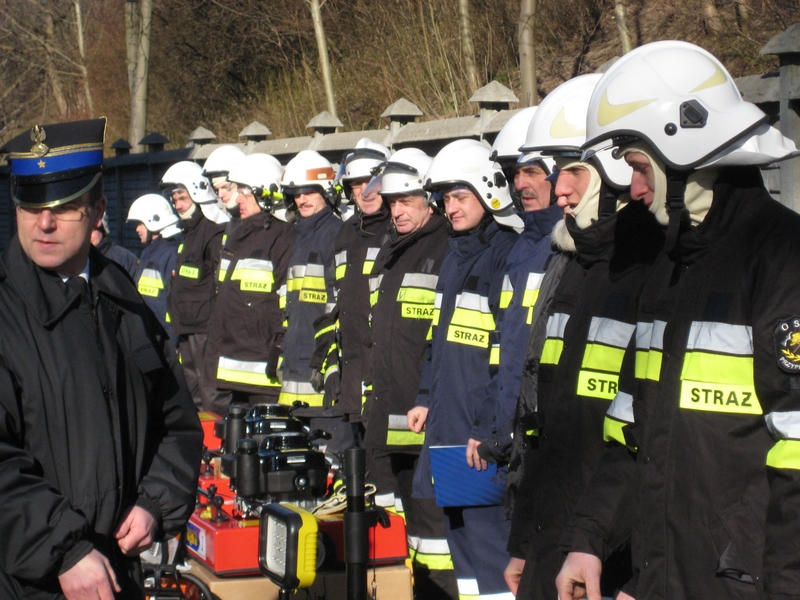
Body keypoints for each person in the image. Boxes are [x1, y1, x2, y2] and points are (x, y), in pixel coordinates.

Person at [555, 41, 800, 600]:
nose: (636, 190)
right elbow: (632, 430)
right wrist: (589, 540)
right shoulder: (670, 267)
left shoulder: (782, 257)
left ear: (685, 151)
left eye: (641, 169)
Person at [0, 117, 202, 599]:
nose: (44, 223)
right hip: (29, 582)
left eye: (64, 207)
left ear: (98, 210)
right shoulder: (6, 312)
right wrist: (64, 551)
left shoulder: (122, 299)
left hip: (117, 574)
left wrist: (154, 503)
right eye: (31, 206)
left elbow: (175, 423)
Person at [502, 74, 664, 600]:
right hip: (554, 544)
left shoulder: (657, 269)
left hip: (612, 560)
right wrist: (525, 541)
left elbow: (656, 446)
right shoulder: (570, 263)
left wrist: (640, 577)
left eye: (573, 171)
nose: (560, 190)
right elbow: (542, 425)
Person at [408, 138, 521, 600]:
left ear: (488, 191)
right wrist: (424, 399)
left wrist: (486, 427)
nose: (450, 208)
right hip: (449, 430)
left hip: (479, 439)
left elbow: (507, 356)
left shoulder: (505, 254)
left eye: (459, 196)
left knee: (491, 554)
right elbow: (437, 344)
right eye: (445, 198)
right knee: (465, 556)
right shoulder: (455, 256)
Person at [360, 148, 458, 600]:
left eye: (406, 201)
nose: (396, 210)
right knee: (405, 538)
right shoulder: (392, 251)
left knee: (436, 538)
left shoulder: (445, 249)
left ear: (429, 202)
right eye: (392, 202)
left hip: (426, 422)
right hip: (390, 419)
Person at [476, 105, 561, 471]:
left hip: (548, 436)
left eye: (532, 172)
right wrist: (494, 425)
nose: (521, 183)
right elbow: (505, 348)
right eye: (516, 173)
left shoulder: (567, 245)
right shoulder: (523, 247)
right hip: (513, 433)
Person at [312, 139, 392, 440]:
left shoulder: (398, 231)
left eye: (370, 182)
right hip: (350, 370)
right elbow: (333, 302)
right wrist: (330, 362)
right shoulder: (347, 232)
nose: (364, 191)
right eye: (356, 185)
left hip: (382, 371)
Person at [205, 153, 295, 406]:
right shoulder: (236, 235)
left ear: (265, 193)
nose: (238, 199)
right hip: (231, 367)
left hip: (264, 369)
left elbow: (288, 299)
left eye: (245, 192)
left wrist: (279, 347)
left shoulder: (284, 237)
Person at [278, 151, 349, 450]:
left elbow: (338, 306)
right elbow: (291, 307)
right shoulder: (298, 236)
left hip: (321, 369)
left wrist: (330, 362)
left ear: (326, 192)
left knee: (333, 458)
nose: (301, 199)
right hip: (296, 367)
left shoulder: (336, 234)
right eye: (296, 193)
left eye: (309, 191)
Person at [162, 161, 228, 412]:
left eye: (182, 198)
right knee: (192, 393)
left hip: (206, 330)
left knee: (210, 393)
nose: (177, 205)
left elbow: (219, 282)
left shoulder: (212, 232)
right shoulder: (187, 234)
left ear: (198, 194)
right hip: (187, 328)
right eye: (174, 200)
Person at [127, 193, 182, 345]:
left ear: (154, 221)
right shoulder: (150, 253)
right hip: (151, 334)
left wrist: (173, 341)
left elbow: (175, 301)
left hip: (165, 338)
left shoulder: (169, 253)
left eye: (140, 224)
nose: (137, 229)